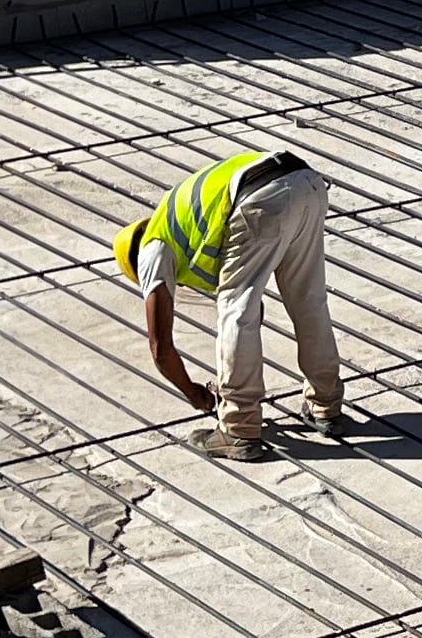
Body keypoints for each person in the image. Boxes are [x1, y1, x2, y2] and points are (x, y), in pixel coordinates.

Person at [113, 148, 349, 459]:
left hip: (261, 195)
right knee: (309, 301)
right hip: (306, 183)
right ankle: (326, 406)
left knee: (235, 312)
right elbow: (258, 310)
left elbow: (160, 347)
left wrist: (194, 393)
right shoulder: (185, 225)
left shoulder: (151, 249)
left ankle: (239, 429)